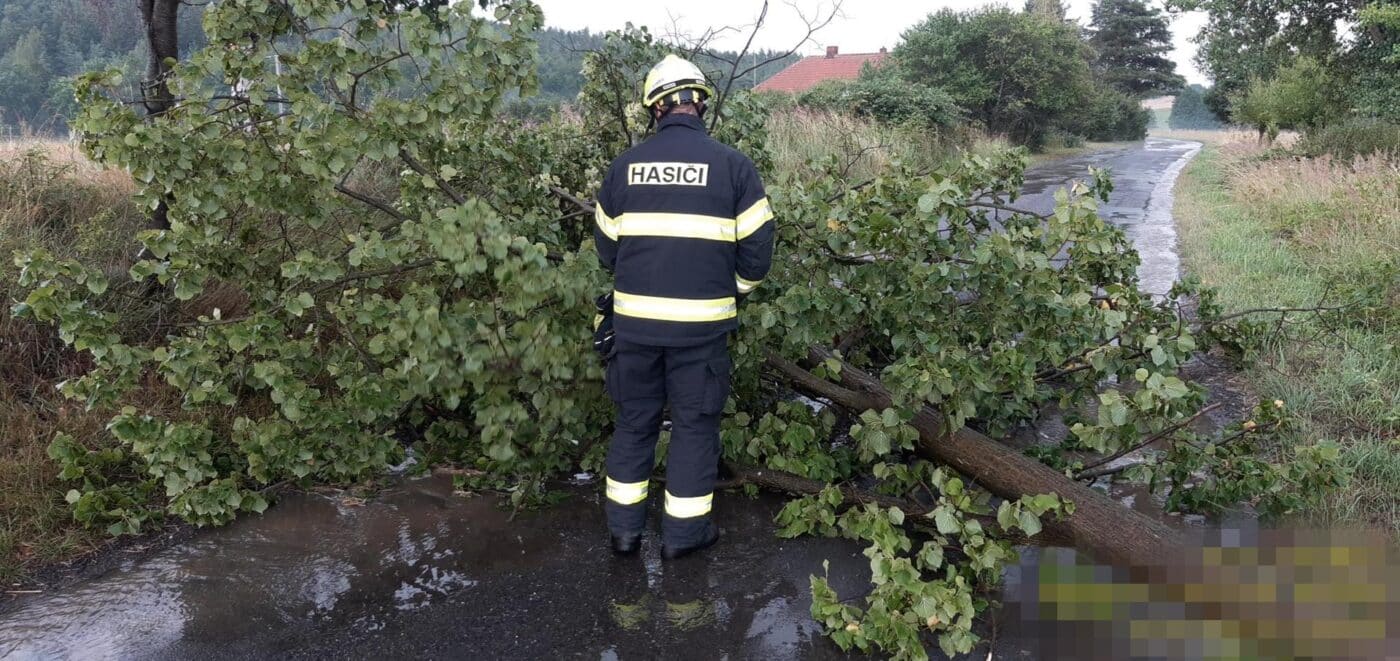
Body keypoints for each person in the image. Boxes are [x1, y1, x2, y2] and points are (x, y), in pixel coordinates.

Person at [593, 54, 775, 560]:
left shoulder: (623, 168)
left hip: (634, 329)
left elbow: (607, 250)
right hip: (701, 332)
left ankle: (624, 534)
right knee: (694, 428)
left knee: (635, 424)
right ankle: (682, 536)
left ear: (655, 108)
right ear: (700, 104)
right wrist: (732, 290)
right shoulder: (734, 166)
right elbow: (759, 252)